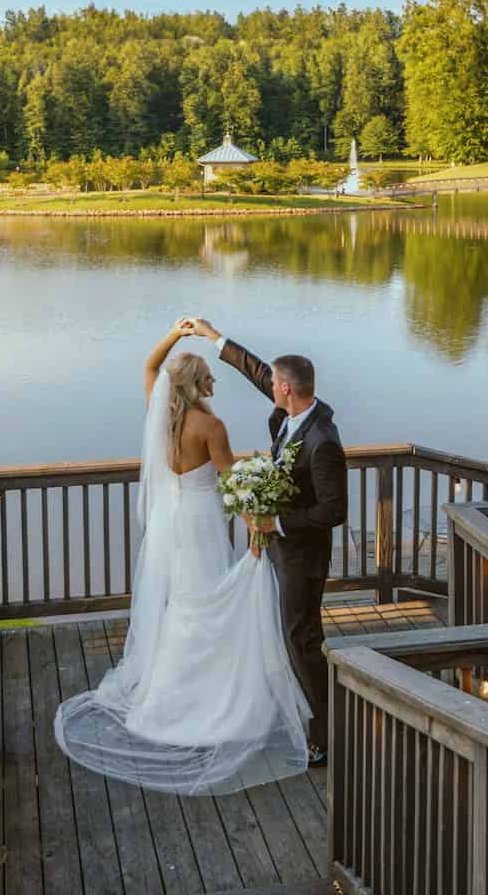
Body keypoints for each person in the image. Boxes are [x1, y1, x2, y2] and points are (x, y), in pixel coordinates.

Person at [52, 321, 312, 794]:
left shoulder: (160, 410)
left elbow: (149, 365)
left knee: (179, 604)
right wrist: (258, 527)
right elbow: (235, 484)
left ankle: (167, 693)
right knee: (202, 601)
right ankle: (197, 701)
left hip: (166, 523)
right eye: (209, 379)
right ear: (197, 386)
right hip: (199, 523)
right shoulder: (211, 427)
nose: (214, 384)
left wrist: (175, 335)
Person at [186, 315, 347, 767]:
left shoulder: (322, 440)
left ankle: (326, 735)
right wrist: (215, 338)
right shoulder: (292, 416)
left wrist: (276, 523)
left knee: (301, 638)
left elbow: (334, 511)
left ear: (287, 390)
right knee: (283, 633)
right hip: (279, 550)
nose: (269, 385)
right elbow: (259, 370)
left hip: (302, 557)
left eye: (274, 383)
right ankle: (301, 712)